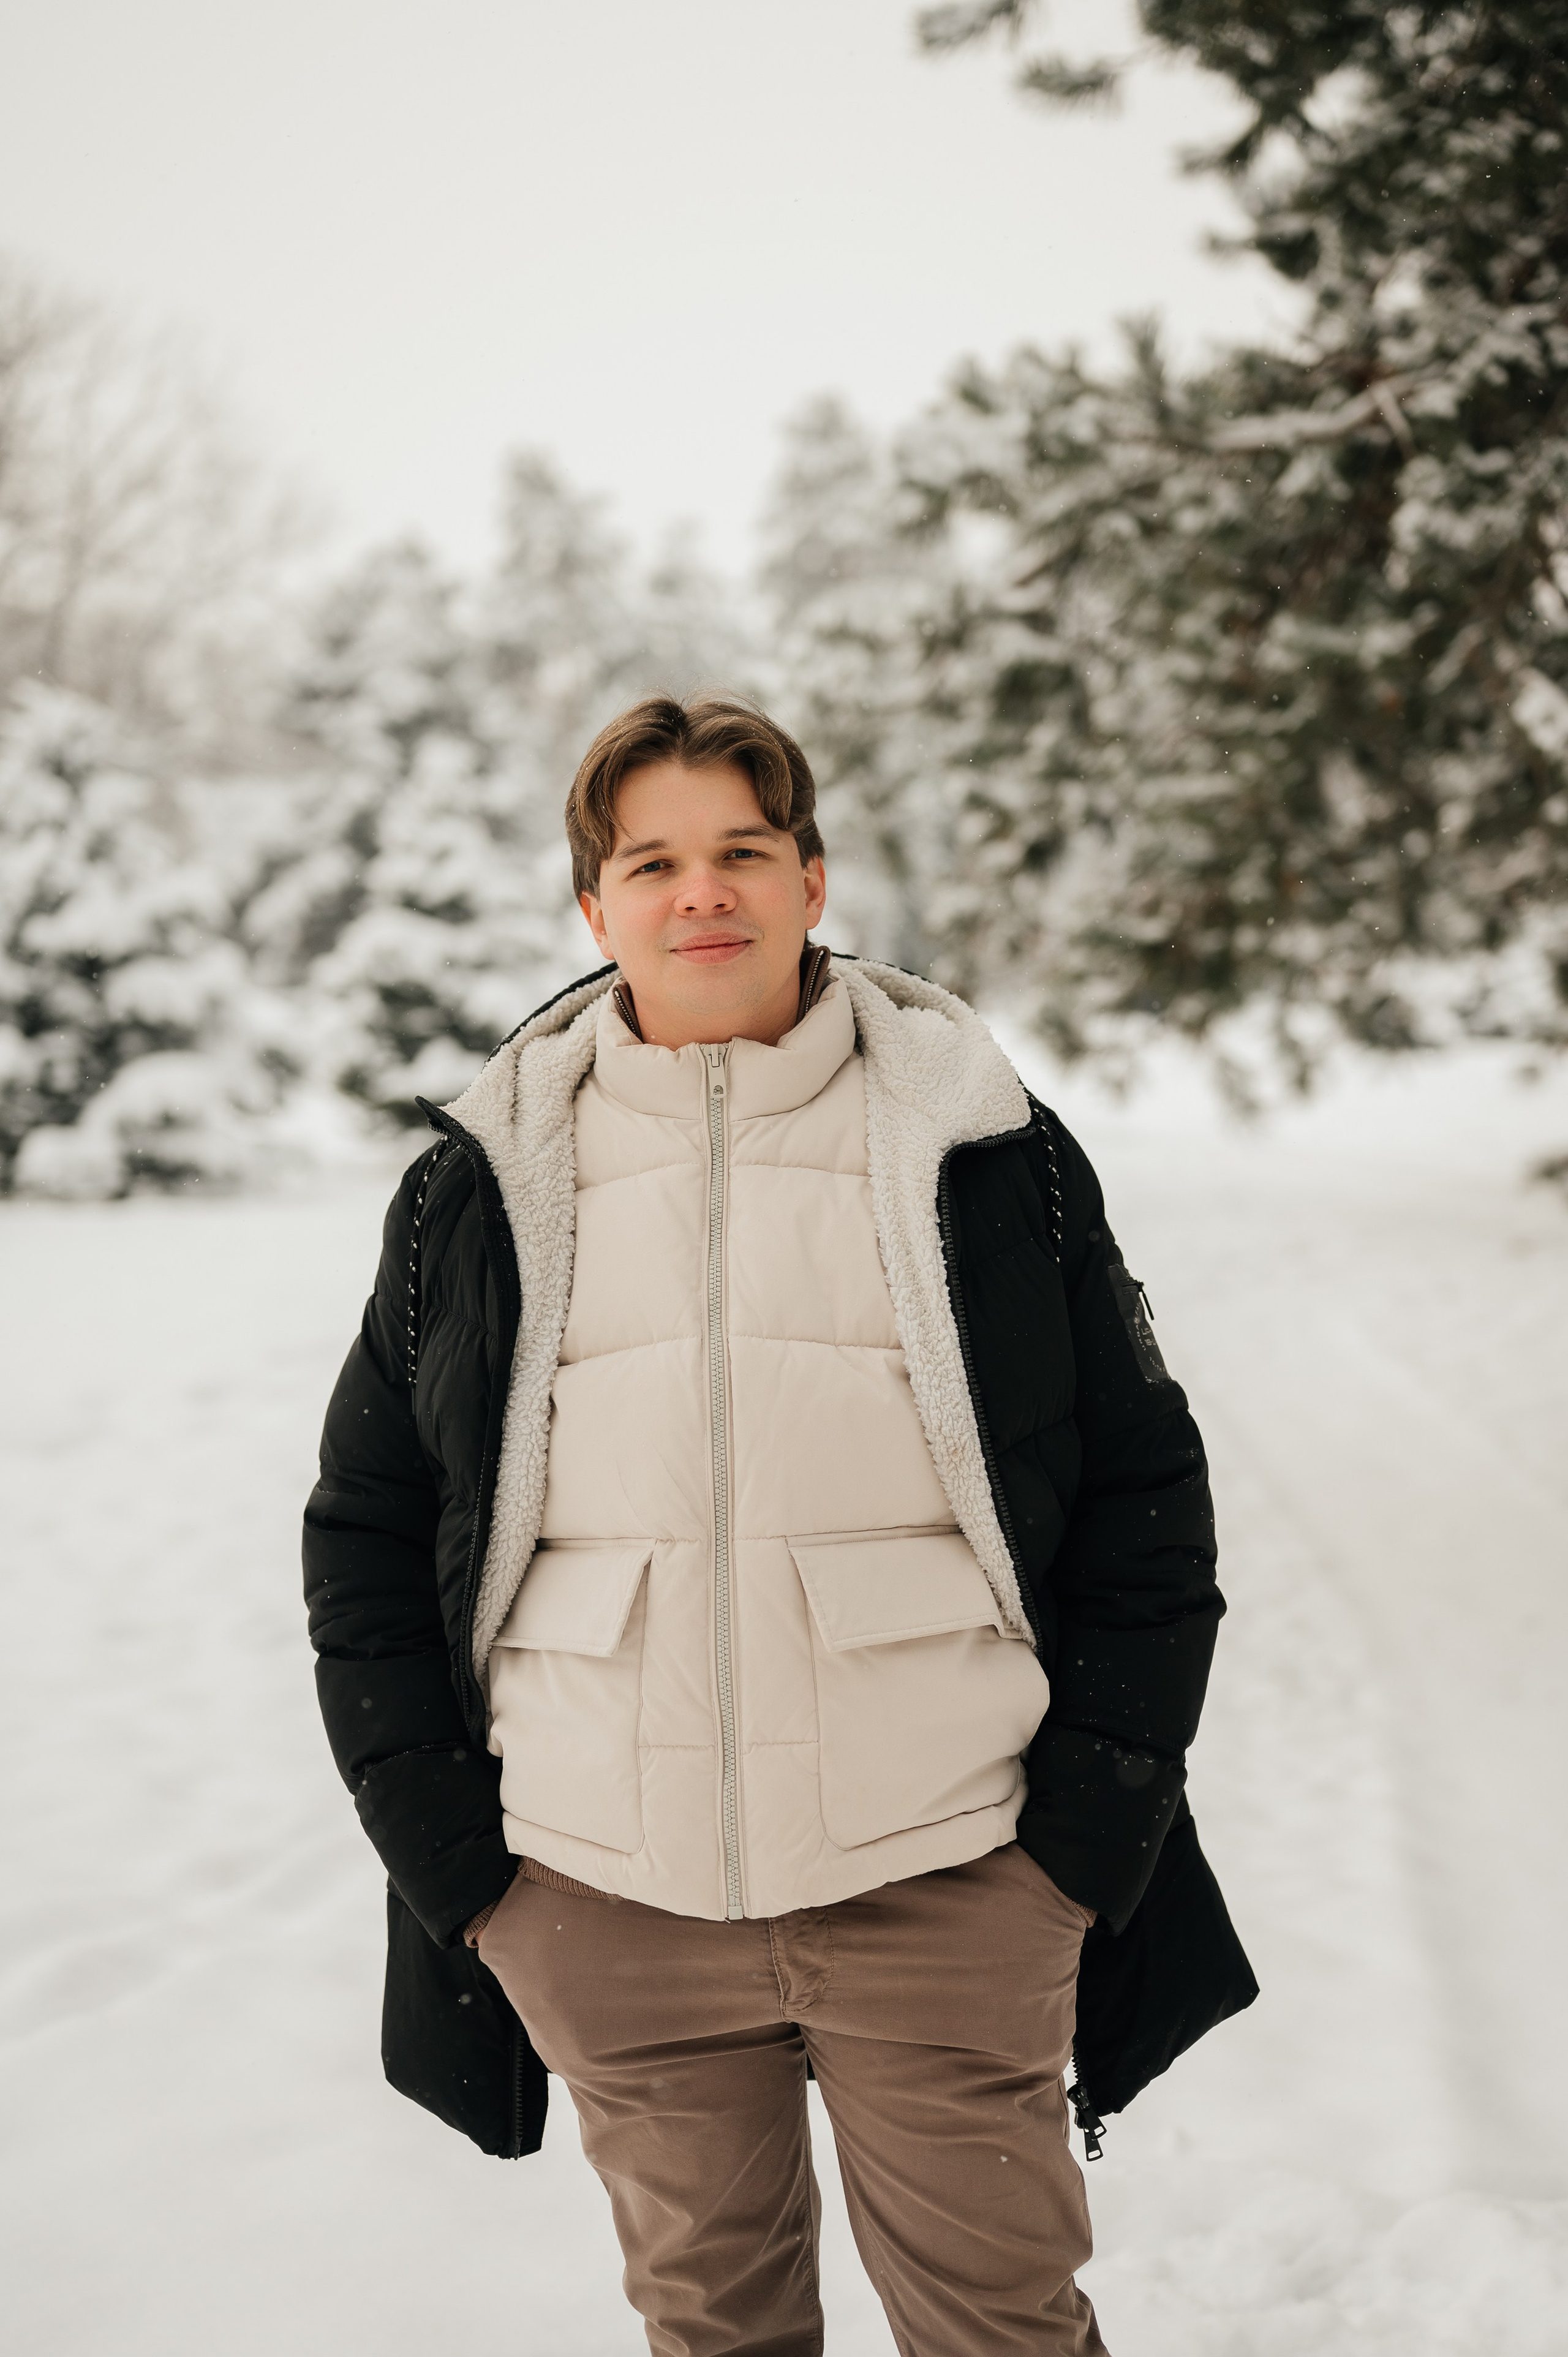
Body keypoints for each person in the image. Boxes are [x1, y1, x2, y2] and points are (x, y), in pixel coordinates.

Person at [304, 695, 1254, 2356]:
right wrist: (465, 1869)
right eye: (652, 862)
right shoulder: (485, 1181)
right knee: (715, 2332)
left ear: (813, 880)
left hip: (948, 1878)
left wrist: (1077, 1847)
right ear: (594, 908)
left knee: (1004, 2332)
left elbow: (1144, 1498)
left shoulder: (980, 1149)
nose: (703, 893)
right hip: (604, 1901)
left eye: (743, 850)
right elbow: (369, 1529)